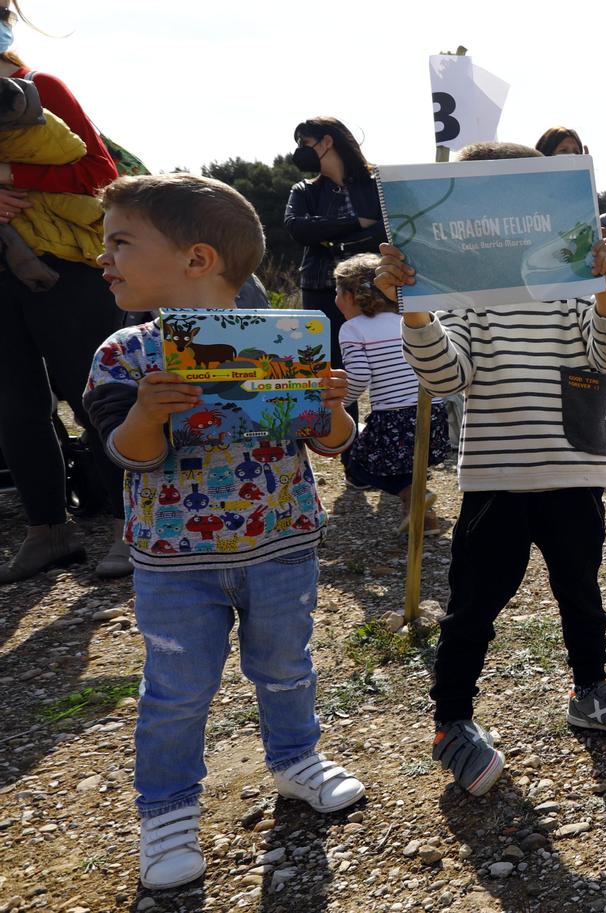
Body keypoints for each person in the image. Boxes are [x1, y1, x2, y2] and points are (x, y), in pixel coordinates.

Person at [81, 174, 365, 890]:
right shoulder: (125, 354)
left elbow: (328, 443)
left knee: (286, 664)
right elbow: (127, 451)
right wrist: (150, 411)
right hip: (174, 560)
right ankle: (168, 812)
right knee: (176, 688)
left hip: (282, 544)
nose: (103, 258)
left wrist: (330, 404)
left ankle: (296, 757)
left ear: (198, 258)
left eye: (120, 242)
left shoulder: (283, 342)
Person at [377, 141, 606, 799]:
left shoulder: (574, 285)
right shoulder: (466, 298)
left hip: (576, 469)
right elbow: (449, 373)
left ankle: (591, 689)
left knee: (582, 592)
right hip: (496, 478)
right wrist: (415, 307)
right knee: (473, 605)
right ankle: (451, 723)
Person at [0, 9, 128, 581]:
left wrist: (7, 176)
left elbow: (101, 173)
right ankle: (47, 530)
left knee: (95, 395)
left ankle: (135, 525)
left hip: (68, 270)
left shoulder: (39, 89)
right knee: (14, 407)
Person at [537, 126, 606, 478]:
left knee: (592, 377)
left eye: (575, 150)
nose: (570, 155)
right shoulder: (534, 205)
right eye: (561, 150)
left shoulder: (585, 203)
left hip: (585, 300)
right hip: (546, 304)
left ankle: (600, 451)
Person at [333, 254, 448, 537]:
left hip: (395, 417)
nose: (335, 299)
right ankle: (424, 517)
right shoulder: (406, 319)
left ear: (349, 296)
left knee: (359, 464)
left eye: (336, 292)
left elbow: (359, 375)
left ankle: (413, 496)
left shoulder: (352, 329)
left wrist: (340, 404)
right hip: (433, 412)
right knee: (409, 463)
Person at [283, 117, 383, 370]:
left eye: (304, 142)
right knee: (332, 370)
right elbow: (297, 228)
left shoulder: (378, 183)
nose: (299, 151)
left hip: (377, 287)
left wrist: (335, 241)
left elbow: (388, 230)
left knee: (387, 365)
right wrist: (356, 222)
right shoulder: (304, 190)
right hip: (322, 290)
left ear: (327, 141)